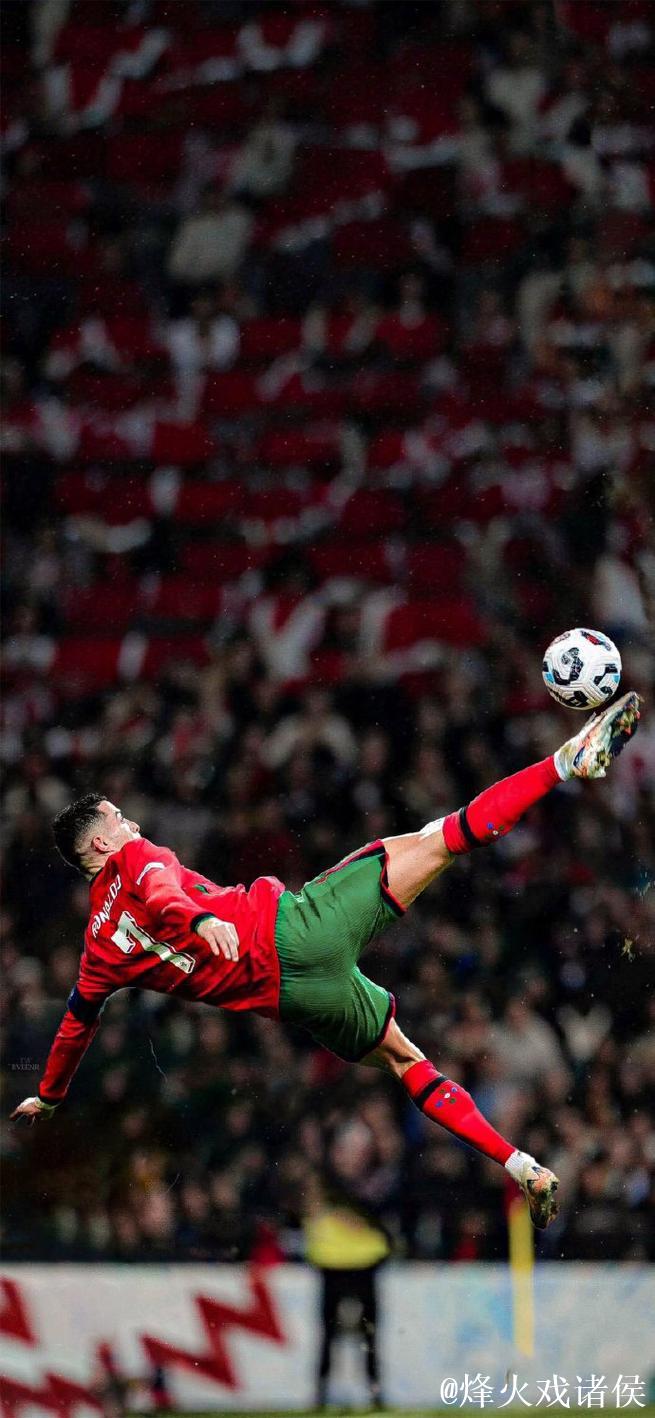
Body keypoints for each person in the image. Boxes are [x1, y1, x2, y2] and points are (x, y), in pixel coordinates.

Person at [11, 693, 641, 1231]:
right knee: (441, 837)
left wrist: (49, 1095)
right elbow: (161, 892)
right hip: (297, 932)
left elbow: (76, 1023)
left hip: (299, 1001)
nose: (132, 823)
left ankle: (517, 1163)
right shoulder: (134, 857)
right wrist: (200, 920)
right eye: (120, 819)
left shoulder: (97, 950)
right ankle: (567, 761)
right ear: (101, 841)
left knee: (408, 1064)